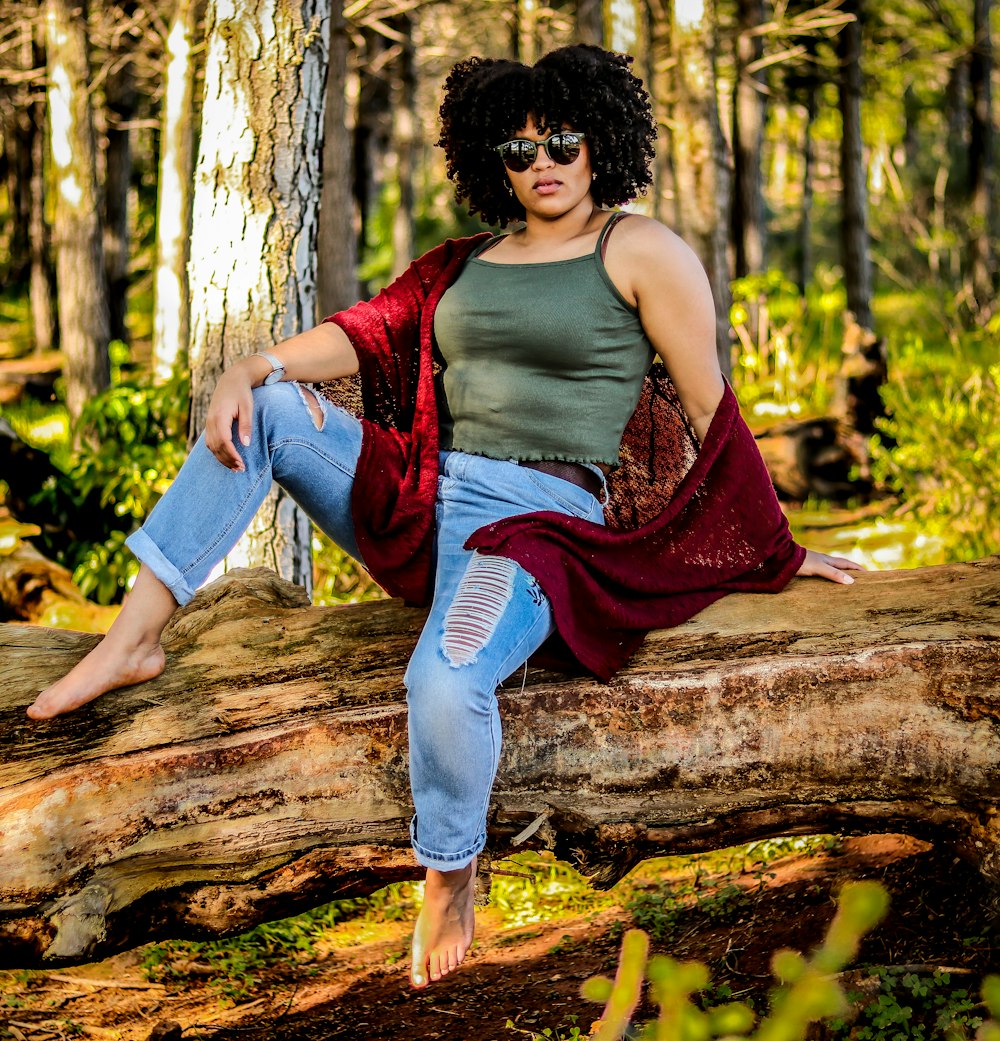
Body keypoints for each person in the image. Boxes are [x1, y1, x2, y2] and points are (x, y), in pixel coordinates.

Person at [26, 44, 861, 989]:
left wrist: (777, 544)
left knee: (445, 675)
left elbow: (712, 406)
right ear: (487, 160)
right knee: (266, 410)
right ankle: (134, 638)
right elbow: (363, 332)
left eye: (563, 140)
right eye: (516, 147)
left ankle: (450, 872)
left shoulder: (636, 249)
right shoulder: (460, 264)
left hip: (537, 529)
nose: (541, 161)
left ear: (602, 143)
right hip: (425, 502)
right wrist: (246, 368)